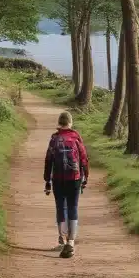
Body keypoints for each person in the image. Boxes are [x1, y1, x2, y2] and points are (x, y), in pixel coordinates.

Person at [44, 111, 89, 258]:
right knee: (73, 207)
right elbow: (83, 158)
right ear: (70, 123)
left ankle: (62, 240)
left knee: (60, 207)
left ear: (59, 123)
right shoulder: (76, 137)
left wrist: (47, 181)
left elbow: (48, 160)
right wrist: (85, 176)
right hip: (74, 178)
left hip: (58, 178)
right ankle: (71, 242)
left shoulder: (54, 138)